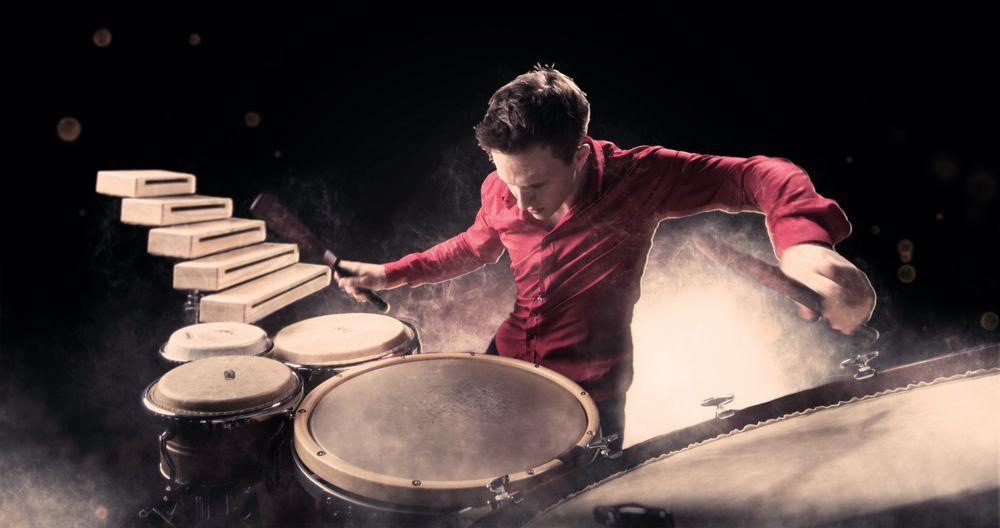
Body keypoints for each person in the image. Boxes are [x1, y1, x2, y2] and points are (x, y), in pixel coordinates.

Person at [333, 65, 876, 451]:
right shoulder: (504, 188)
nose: (519, 201)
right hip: (506, 363)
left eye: (536, 184)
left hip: (590, 394)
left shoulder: (641, 177)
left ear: (577, 153)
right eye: (507, 180)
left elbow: (761, 174)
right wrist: (389, 273)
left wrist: (804, 243)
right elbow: (473, 245)